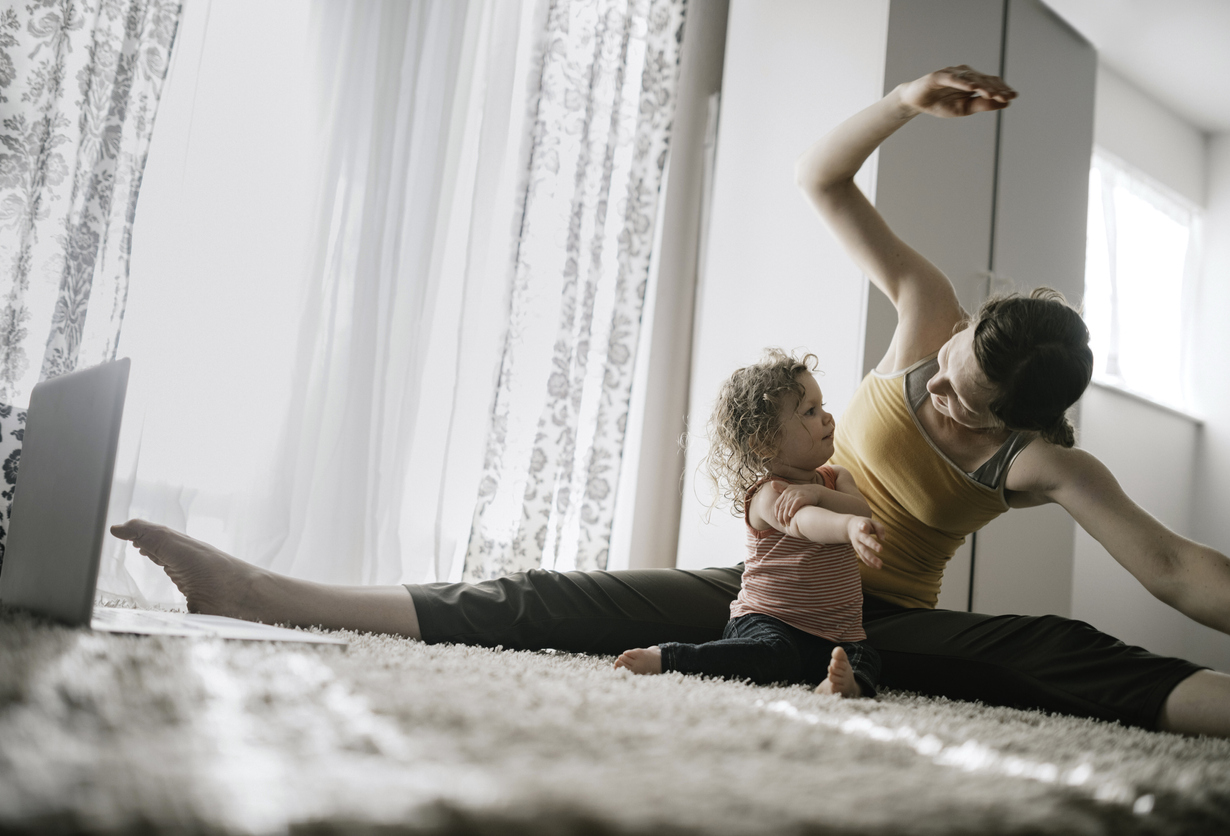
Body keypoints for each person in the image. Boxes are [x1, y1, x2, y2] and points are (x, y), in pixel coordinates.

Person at [111, 65, 1230, 738]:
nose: (938, 385)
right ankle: (263, 586)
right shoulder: (931, 314)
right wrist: (901, 102)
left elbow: (1178, 569)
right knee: (545, 597)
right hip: (766, 581)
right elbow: (821, 180)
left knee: (1053, 654)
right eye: (944, 366)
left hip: (877, 612)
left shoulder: (1043, 466)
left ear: (1019, 427)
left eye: (967, 402)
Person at [613, 350, 886, 698]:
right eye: (811, 412)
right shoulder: (768, 494)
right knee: (772, 657)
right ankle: (670, 657)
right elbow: (804, 523)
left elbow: (861, 511)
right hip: (767, 621)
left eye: (823, 405)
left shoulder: (837, 477)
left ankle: (842, 685)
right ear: (766, 442)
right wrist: (844, 527)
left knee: (866, 657)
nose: (828, 417)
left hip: (838, 631)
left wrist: (820, 497)